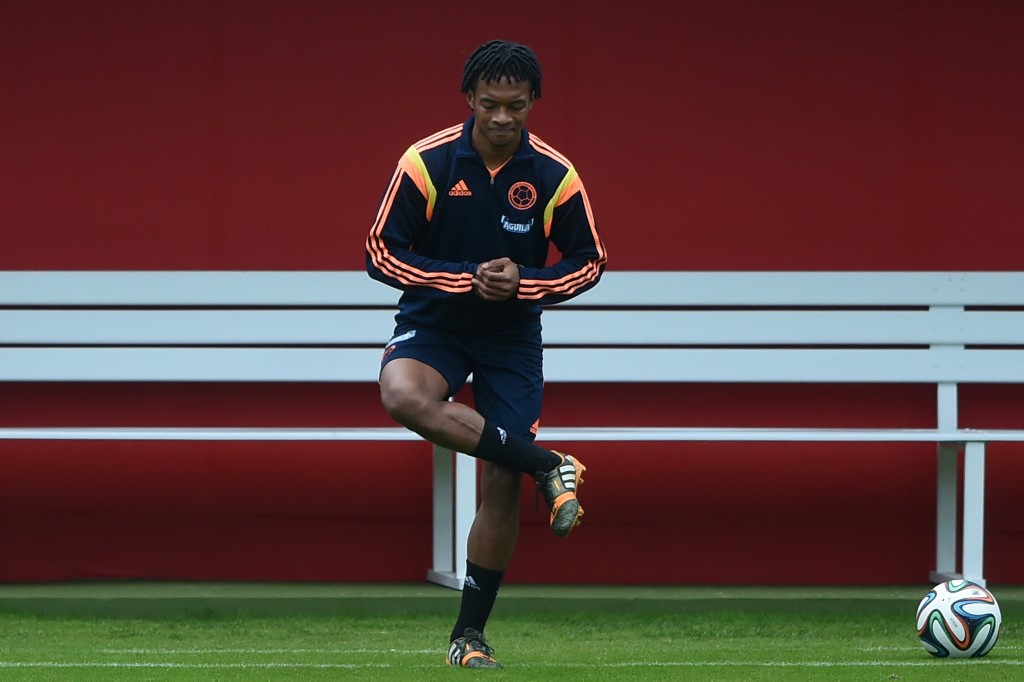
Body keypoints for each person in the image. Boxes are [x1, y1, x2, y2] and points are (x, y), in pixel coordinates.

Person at [365, 39, 607, 669]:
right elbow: (380, 253)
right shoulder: (427, 162)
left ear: (533, 105)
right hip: (435, 324)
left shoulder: (555, 174)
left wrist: (523, 284)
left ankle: (468, 638)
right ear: (470, 99)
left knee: (499, 484)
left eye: (517, 107)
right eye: (491, 104)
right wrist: (464, 277)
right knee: (402, 395)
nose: (503, 118)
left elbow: (590, 262)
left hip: (510, 339)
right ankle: (548, 463)